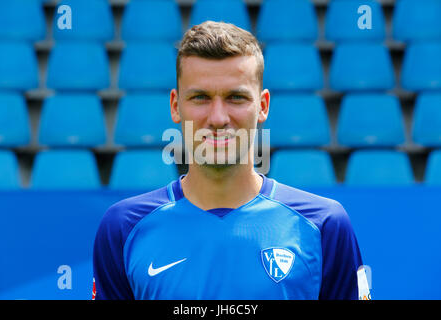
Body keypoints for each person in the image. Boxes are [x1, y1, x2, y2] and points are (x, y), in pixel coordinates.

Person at [92, 21, 368, 300]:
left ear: (262, 106)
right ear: (176, 106)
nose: (218, 118)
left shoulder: (324, 226)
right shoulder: (123, 228)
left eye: (236, 97)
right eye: (200, 97)